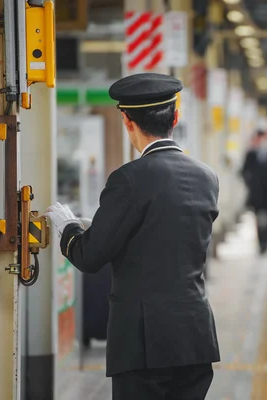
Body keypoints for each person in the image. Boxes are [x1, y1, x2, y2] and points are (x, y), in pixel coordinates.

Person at [44, 73, 220, 400]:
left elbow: (90, 256)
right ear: (175, 117)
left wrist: (67, 226)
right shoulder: (207, 177)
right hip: (195, 336)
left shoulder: (129, 179)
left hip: (143, 344)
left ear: (127, 120)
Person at [240, 130, 267, 254]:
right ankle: (261, 243)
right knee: (259, 219)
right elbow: (243, 172)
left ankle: (266, 243)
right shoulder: (251, 155)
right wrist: (250, 184)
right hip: (256, 195)